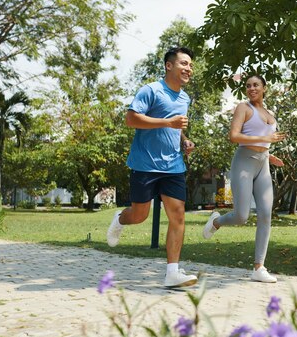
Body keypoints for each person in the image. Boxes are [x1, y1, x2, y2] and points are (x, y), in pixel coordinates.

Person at [106, 47, 198, 288]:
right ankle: (120, 219)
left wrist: (184, 140)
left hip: (173, 165)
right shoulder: (151, 90)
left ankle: (172, 272)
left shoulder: (185, 98)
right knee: (139, 215)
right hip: (145, 163)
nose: (189, 68)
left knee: (177, 215)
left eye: (190, 65)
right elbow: (131, 119)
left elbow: (176, 127)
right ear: (169, 65)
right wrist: (168, 121)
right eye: (184, 63)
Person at [202, 74, 285, 283]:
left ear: (264, 88)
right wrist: (263, 139)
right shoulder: (243, 108)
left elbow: (265, 140)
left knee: (266, 214)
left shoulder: (270, 113)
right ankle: (217, 221)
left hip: (263, 164)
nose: (251, 88)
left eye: (256, 85)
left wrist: (269, 153)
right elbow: (234, 136)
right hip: (244, 162)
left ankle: (259, 267)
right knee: (241, 216)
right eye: (248, 86)